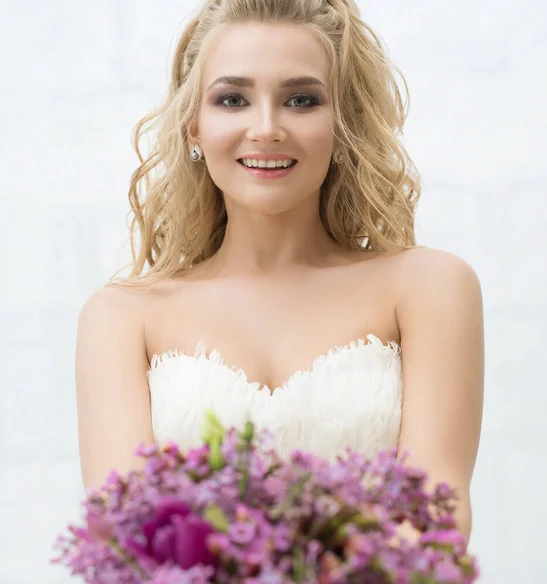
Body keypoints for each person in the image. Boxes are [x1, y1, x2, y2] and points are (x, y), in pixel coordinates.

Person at [75, 0, 484, 547]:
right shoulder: (121, 317)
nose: (266, 128)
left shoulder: (430, 288)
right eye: (233, 99)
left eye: (300, 99)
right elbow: (122, 542)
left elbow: (437, 519)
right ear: (194, 127)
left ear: (343, 123)